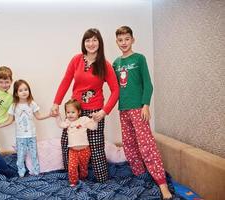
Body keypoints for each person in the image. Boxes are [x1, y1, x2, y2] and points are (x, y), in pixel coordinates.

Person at [51, 28, 119, 183]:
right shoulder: (76, 60)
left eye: (94, 40)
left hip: (95, 112)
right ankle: (72, 177)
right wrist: (56, 103)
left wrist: (104, 111)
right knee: (68, 143)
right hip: (74, 111)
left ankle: (102, 180)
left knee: (95, 147)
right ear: (83, 43)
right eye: (88, 40)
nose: (91, 43)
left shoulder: (105, 65)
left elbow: (115, 91)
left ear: (99, 43)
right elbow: (65, 81)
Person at [112, 26, 173, 200]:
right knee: (129, 145)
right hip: (123, 109)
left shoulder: (139, 59)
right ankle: (140, 176)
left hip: (138, 108)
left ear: (133, 40)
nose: (124, 43)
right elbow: (115, 88)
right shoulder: (116, 63)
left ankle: (162, 185)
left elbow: (148, 83)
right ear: (117, 42)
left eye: (127, 39)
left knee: (146, 145)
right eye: (120, 40)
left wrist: (145, 104)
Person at [0, 79, 51, 177]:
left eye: (26, 89)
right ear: (16, 93)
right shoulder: (13, 106)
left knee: (34, 155)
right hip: (20, 137)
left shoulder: (32, 103)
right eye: (20, 90)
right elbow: (9, 120)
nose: (24, 92)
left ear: (29, 90)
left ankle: (36, 172)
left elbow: (39, 116)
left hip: (31, 135)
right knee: (20, 156)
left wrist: (50, 114)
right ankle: (21, 173)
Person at [56, 99, 98, 187]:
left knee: (84, 167)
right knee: (72, 167)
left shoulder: (84, 120)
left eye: (73, 112)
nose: (70, 114)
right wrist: (57, 116)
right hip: (73, 151)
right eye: (68, 112)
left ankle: (83, 178)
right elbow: (60, 125)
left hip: (85, 150)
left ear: (79, 112)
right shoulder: (67, 122)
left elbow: (93, 127)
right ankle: (73, 182)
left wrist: (94, 119)